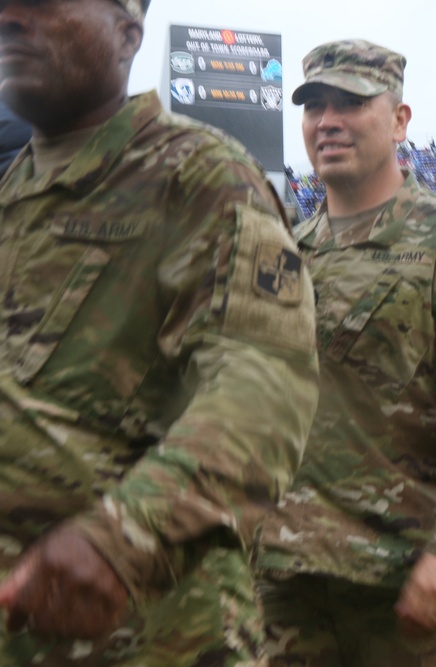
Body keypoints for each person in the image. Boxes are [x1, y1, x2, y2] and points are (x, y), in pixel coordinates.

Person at [0, 1, 320, 664]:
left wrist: (125, 533)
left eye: (44, 5)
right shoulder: (14, 193)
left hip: (152, 631)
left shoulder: (201, 174)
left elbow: (265, 391)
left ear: (126, 34)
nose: (11, 19)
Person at [255, 40, 436, 665]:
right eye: (314, 107)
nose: (327, 121)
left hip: (406, 586)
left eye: (352, 103)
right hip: (285, 587)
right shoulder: (284, 253)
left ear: (400, 120)